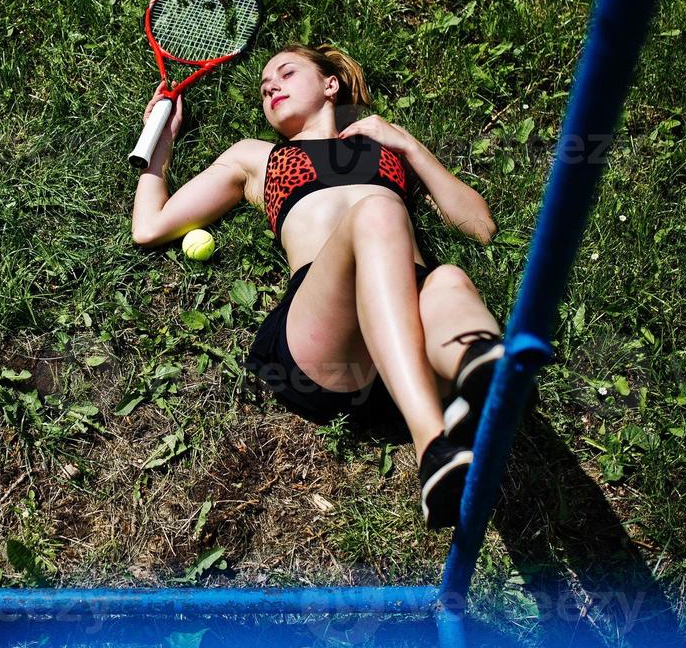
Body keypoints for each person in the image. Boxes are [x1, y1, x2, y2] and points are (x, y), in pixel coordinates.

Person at [131, 42, 506, 528]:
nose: (271, 87)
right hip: (326, 344)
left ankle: (486, 377)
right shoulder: (256, 158)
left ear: (330, 85)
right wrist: (159, 138)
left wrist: (410, 146)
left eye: (285, 73)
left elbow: (480, 227)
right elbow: (150, 227)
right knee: (377, 212)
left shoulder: (384, 147)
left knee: (451, 278)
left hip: (409, 329)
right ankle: (431, 441)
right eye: (265, 87)